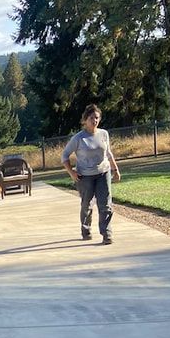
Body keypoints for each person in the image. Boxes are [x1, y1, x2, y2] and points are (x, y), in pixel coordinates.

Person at [61, 104, 121, 244]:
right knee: (87, 204)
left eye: (97, 118)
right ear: (85, 120)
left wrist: (115, 169)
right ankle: (86, 230)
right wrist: (72, 173)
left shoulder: (103, 134)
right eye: (92, 118)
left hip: (103, 172)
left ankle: (107, 234)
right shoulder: (78, 138)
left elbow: (108, 153)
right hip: (85, 176)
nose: (95, 120)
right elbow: (64, 156)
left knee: (105, 204)